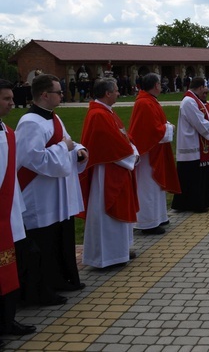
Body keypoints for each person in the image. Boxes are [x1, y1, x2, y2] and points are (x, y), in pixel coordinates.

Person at [15, 74, 88, 302]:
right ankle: (41, 291)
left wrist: (78, 149)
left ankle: (60, 279)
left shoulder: (53, 118)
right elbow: (34, 160)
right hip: (40, 193)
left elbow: (67, 141)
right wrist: (64, 147)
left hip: (57, 193)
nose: (62, 95)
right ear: (45, 95)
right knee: (44, 242)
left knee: (59, 237)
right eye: (58, 92)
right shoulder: (29, 123)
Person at [79, 78, 139, 269]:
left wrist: (131, 150)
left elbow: (121, 137)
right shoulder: (98, 115)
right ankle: (107, 257)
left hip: (116, 166)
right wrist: (132, 155)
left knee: (117, 211)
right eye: (116, 90)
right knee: (107, 213)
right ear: (107, 93)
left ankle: (118, 252)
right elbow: (107, 145)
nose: (118, 93)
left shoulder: (106, 112)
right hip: (107, 171)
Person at [0, 79, 37, 343]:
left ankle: (7, 319)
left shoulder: (7, 131)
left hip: (9, 213)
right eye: (6, 99)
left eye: (12, 98)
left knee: (8, 270)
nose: (13, 103)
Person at [128, 73, 180, 236]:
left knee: (155, 188)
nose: (161, 85)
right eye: (160, 83)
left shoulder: (149, 100)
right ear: (155, 85)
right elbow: (150, 131)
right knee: (148, 188)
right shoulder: (144, 103)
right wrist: (169, 128)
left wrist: (165, 126)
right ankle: (147, 222)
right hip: (147, 153)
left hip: (154, 151)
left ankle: (159, 217)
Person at [172, 77, 209, 213]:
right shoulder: (189, 101)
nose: (205, 90)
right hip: (191, 145)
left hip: (198, 142)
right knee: (192, 177)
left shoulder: (195, 100)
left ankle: (199, 201)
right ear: (200, 87)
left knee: (196, 176)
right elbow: (199, 122)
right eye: (204, 88)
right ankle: (194, 203)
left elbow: (205, 119)